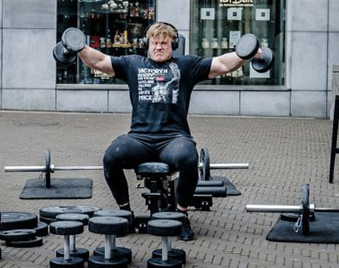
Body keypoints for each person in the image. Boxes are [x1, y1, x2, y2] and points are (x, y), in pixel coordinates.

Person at [77, 22, 262, 241]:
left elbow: (222, 64)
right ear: (148, 44)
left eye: (164, 43)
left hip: (173, 138)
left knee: (188, 158)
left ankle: (181, 214)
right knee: (111, 156)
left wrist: (244, 53)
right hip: (140, 138)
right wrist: (78, 46)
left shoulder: (186, 65)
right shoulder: (132, 64)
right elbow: (98, 60)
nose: (158, 47)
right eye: (154, 43)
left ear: (172, 45)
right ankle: (125, 212)